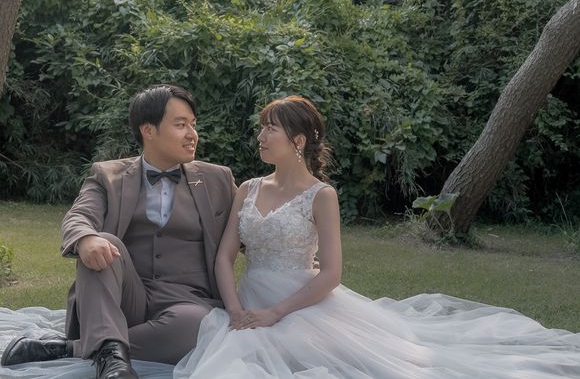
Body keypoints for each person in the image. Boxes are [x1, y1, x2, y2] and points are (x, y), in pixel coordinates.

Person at [174, 95, 580, 378]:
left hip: (300, 303)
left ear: (298, 140)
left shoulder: (321, 196)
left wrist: (275, 313)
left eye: (270, 129)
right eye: (261, 128)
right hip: (247, 300)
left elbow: (330, 273)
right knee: (236, 356)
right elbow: (225, 256)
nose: (261, 137)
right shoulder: (248, 188)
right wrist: (235, 310)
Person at [1, 85, 237, 379]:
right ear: (148, 130)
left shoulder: (217, 179)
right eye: (180, 125)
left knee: (200, 327)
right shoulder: (107, 175)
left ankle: (84, 349)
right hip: (125, 297)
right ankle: (113, 363)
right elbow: (78, 217)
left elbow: (252, 229)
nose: (192, 134)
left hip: (187, 302)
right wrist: (86, 239)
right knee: (102, 243)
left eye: (193, 124)